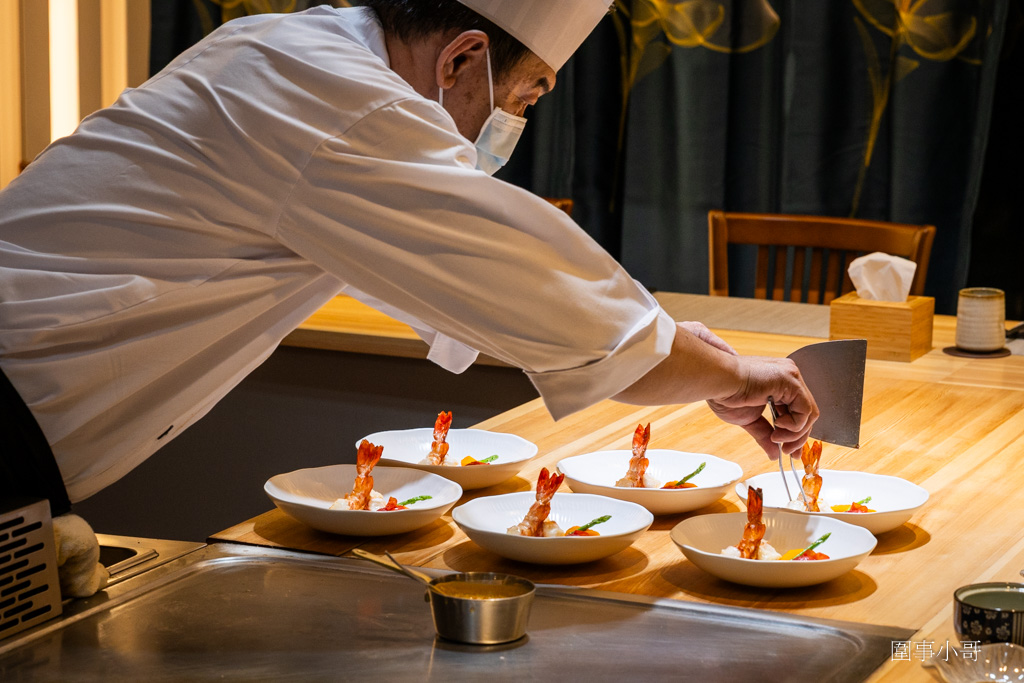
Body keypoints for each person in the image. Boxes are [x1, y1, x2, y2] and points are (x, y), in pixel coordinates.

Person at [0, 0, 818, 597]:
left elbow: (471, 289)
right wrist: (730, 373)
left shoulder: (290, 50)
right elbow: (535, 286)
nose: (518, 122)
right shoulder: (346, 104)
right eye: (526, 98)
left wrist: (677, 344)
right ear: (461, 60)